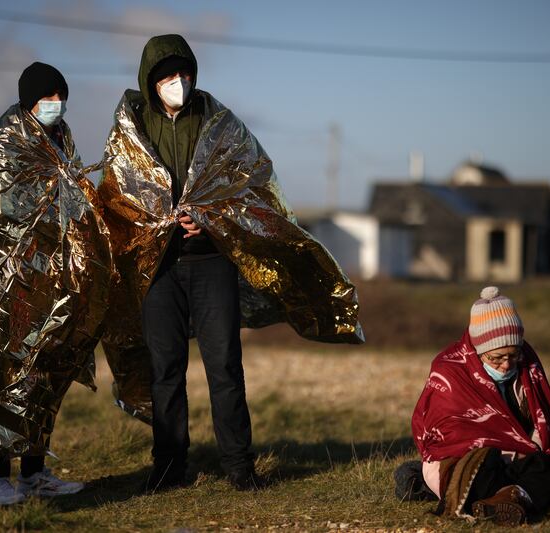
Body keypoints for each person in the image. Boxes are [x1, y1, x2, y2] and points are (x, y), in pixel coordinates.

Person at [97, 34, 364, 493]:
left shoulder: (220, 124)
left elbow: (251, 183)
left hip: (211, 263)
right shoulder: (131, 128)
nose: (175, 82)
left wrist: (211, 218)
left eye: (182, 73)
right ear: (149, 81)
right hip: (158, 269)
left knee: (225, 366)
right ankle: (167, 468)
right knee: (166, 370)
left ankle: (239, 467)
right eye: (165, 75)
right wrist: (159, 222)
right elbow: (118, 193)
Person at [0, 62, 112, 506]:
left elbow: (71, 196)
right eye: (48, 95)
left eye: (61, 95)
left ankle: (35, 474)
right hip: (8, 281)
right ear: (28, 99)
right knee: (1, 375)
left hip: (52, 280)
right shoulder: (7, 140)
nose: (56, 103)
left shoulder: (62, 137)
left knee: (43, 375)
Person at [403, 286, 550, 525]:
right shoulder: (449, 369)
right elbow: (445, 434)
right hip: (468, 458)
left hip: (522, 457)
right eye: (496, 358)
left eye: (513, 355)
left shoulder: (527, 362)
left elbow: (544, 424)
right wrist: (499, 449)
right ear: (478, 350)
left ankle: (512, 496)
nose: (507, 364)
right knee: (480, 471)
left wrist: (528, 450)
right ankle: (542, 493)